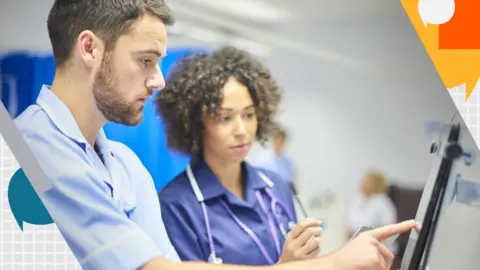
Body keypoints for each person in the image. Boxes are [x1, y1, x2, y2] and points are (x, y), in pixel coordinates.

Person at [13, 0, 421, 269]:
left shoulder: (126, 166)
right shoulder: (29, 151)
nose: (159, 81)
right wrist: (331, 264)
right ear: (89, 48)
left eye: (249, 114)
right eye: (146, 60)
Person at [156, 47, 322, 266]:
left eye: (249, 115)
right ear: (195, 124)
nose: (242, 130)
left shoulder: (276, 186)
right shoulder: (176, 205)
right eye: (225, 118)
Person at [347, 171, 398, 252]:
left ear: (373, 184)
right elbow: (350, 225)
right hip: (358, 244)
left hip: (378, 246)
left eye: (366, 181)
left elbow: (390, 228)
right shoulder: (358, 199)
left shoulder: (382, 201)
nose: (362, 183)